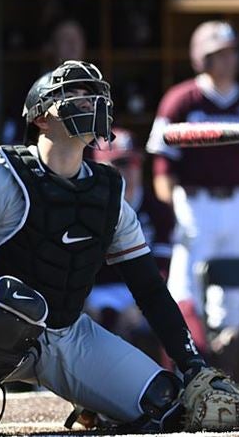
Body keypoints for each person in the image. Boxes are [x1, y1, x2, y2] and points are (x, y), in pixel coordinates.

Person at [0, 61, 239, 434]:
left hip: (68, 334)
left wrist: (192, 364)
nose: (89, 103)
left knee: (167, 407)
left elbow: (148, 287)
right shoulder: (2, 179)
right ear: (41, 119)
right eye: (74, 96)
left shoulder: (108, 193)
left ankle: (98, 409)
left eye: (93, 96)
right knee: (20, 304)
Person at [146, 21, 239, 362]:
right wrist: (174, 205)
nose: (227, 61)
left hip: (237, 204)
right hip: (193, 202)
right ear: (201, 58)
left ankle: (224, 369)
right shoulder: (181, 100)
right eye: (218, 54)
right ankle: (188, 366)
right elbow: (162, 166)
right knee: (184, 286)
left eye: (231, 53)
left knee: (233, 298)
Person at [86, 127, 182, 361]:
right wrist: (82, 302)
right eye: (118, 164)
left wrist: (141, 304)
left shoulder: (157, 210)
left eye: (132, 163)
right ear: (99, 169)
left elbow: (163, 266)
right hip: (94, 292)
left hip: (141, 290)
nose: (127, 172)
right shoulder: (85, 208)